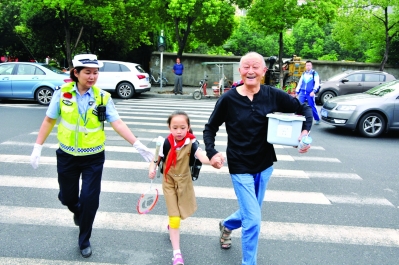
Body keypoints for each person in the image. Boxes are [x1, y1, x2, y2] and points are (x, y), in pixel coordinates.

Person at [29, 54, 154, 258]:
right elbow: (49, 120)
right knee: (68, 198)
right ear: (76, 73)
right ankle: (77, 210)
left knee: (90, 199)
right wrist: (37, 146)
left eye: (95, 73)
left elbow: (117, 122)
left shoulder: (103, 97)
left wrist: (137, 144)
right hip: (67, 156)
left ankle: (84, 239)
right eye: (87, 72)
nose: (92, 77)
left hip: (93, 157)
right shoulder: (62, 94)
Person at [203, 52, 313, 265]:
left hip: (264, 165)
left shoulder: (272, 95)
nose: (250, 71)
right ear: (240, 71)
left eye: (255, 67)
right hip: (239, 164)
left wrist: (305, 132)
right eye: (246, 67)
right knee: (253, 220)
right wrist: (211, 152)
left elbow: (304, 108)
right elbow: (210, 128)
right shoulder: (228, 99)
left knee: (251, 210)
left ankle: (227, 225)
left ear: (264, 71)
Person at [149, 110, 222, 265]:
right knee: (175, 218)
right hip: (168, 183)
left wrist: (213, 160)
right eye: (175, 127)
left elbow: (202, 157)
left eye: (183, 127)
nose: (179, 131)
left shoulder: (192, 143)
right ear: (169, 128)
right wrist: (152, 168)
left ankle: (172, 225)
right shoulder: (165, 143)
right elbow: (155, 159)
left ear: (188, 127)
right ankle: (177, 254)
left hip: (184, 183)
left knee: (181, 213)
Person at [295, 60, 321, 124]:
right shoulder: (304, 73)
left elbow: (317, 83)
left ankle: (317, 119)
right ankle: (298, 118)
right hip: (303, 92)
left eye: (309, 65)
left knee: (312, 106)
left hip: (310, 93)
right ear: (305, 66)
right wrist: (297, 92)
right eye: (307, 65)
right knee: (299, 104)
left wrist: (314, 91)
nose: (308, 67)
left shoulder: (314, 73)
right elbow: (300, 83)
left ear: (311, 66)